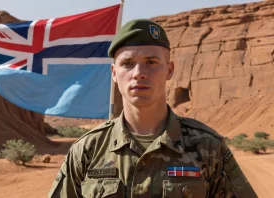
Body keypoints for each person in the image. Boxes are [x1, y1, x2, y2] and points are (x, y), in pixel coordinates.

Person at [48, 19, 257, 198]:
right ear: (113, 72)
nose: (139, 73)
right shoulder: (87, 150)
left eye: (151, 62)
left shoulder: (208, 148)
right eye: (127, 63)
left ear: (169, 69)